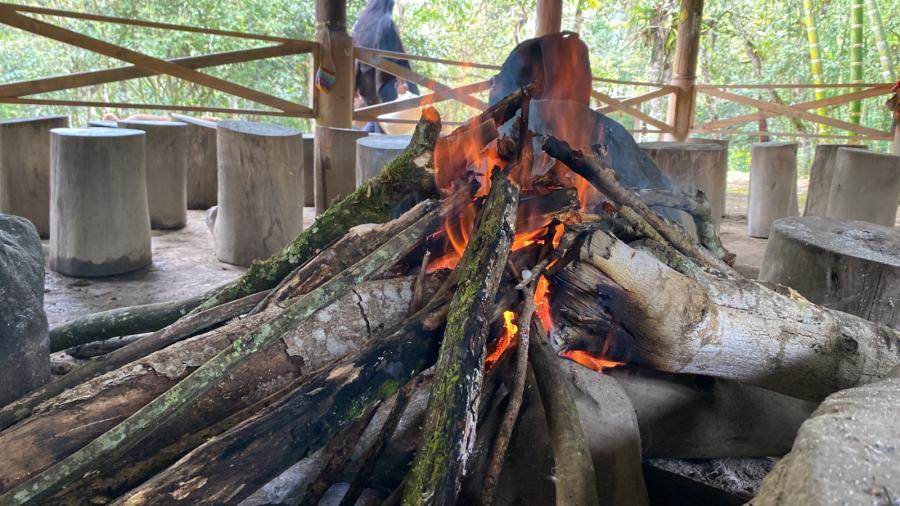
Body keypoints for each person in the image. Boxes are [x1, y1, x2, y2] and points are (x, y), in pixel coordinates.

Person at [352, 0, 419, 133]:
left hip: (367, 89)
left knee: (378, 125)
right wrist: (409, 86)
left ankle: (357, 139)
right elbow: (399, 59)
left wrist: (354, 86)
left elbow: (355, 58)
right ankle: (359, 140)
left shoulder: (360, 26)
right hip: (385, 88)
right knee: (383, 129)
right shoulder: (386, 22)